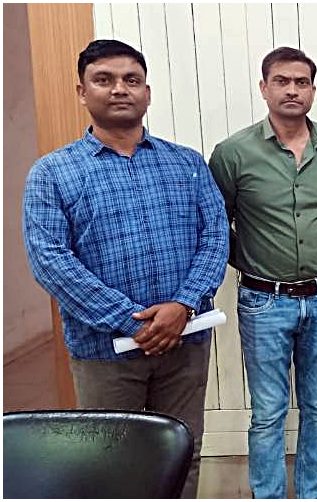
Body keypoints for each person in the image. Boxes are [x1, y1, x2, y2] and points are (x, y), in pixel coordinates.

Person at [22, 39, 229, 498]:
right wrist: (133, 322)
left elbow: (216, 237)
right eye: (104, 79)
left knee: (182, 451)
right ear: (82, 92)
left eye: (131, 80)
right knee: (110, 461)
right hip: (105, 352)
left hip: (186, 340)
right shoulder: (52, 173)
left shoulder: (187, 164)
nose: (119, 89)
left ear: (147, 93)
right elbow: (50, 261)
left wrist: (182, 305)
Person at [208, 47, 317, 499]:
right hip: (263, 301)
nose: (292, 90)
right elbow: (216, 224)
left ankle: (314, 493)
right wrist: (254, 262)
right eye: (281, 81)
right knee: (268, 411)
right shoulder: (233, 153)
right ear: (264, 87)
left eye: (301, 82)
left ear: (313, 89)